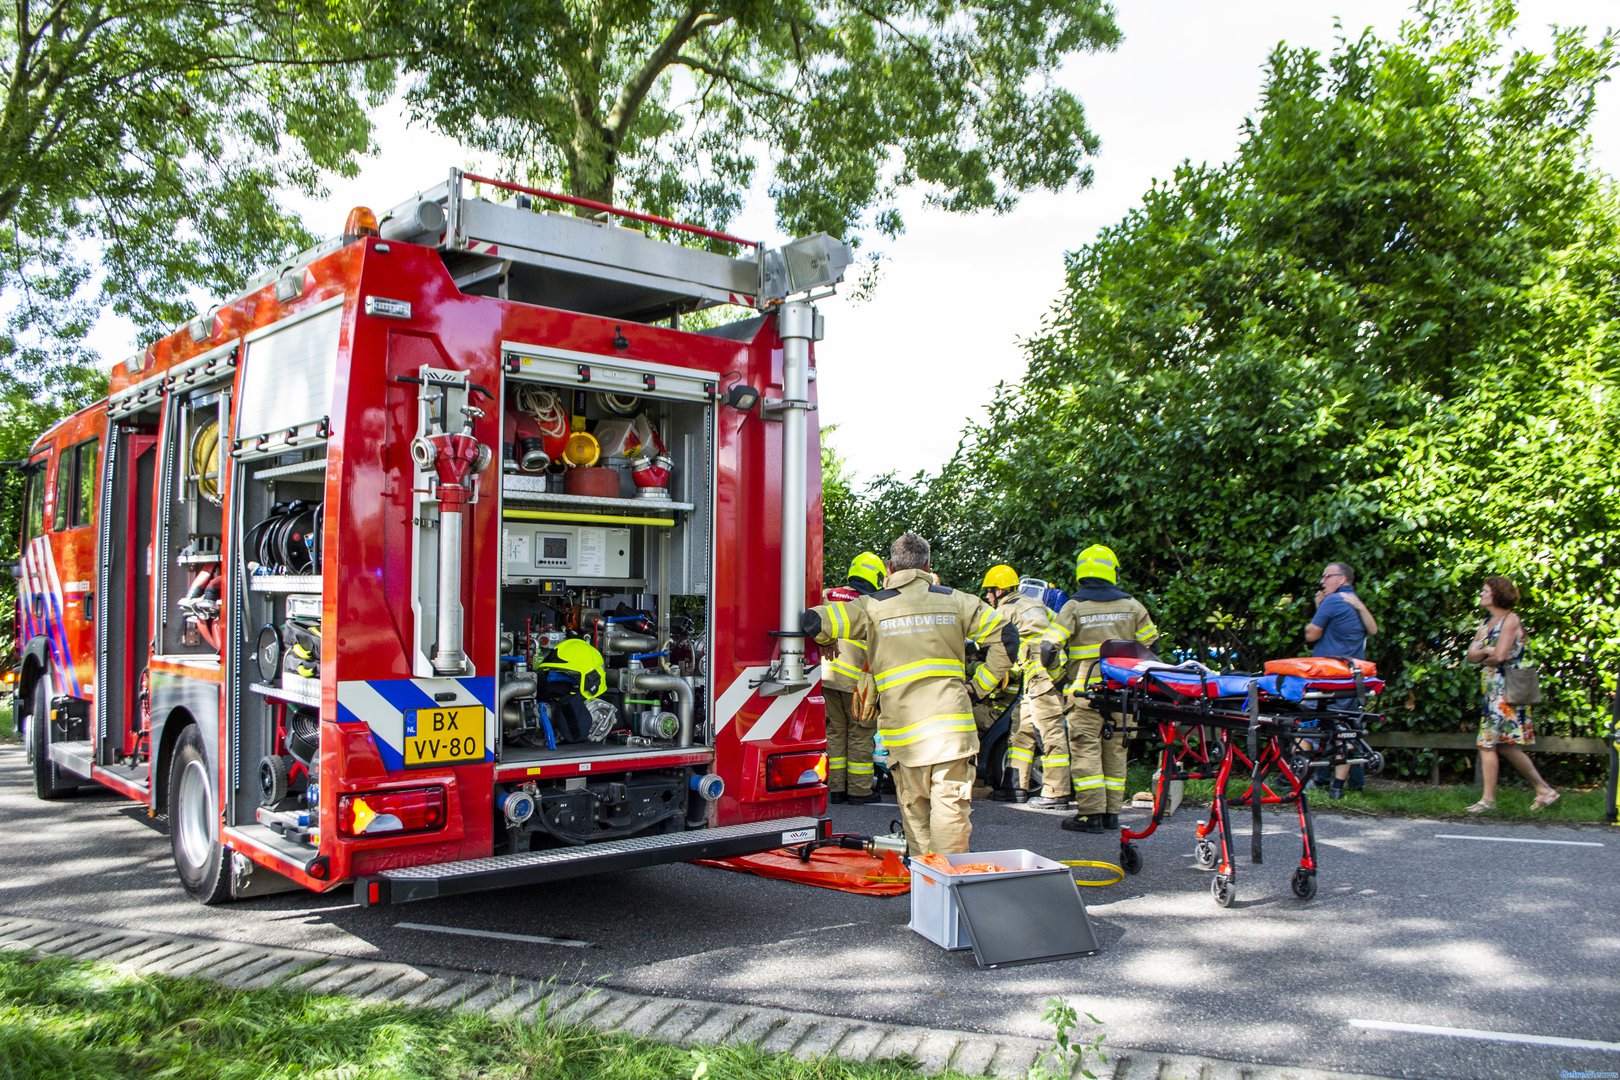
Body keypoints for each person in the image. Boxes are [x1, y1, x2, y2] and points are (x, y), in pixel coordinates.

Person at [804, 532, 1018, 855]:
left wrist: (824, 639)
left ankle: (925, 899)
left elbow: (814, 620)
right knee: (949, 832)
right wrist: (979, 687)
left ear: (890, 568)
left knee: (918, 836)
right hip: (951, 739)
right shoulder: (955, 600)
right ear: (927, 565)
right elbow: (1008, 636)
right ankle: (949, 898)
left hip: (906, 744)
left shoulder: (871, 606)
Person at [1050, 544, 1158, 834]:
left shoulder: (1073, 607)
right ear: (1112, 571)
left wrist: (1058, 677)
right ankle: (1112, 813)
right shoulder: (1133, 606)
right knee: (1116, 750)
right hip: (1124, 692)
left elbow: (1050, 646)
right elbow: (1152, 648)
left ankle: (1090, 815)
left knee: (1086, 750)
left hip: (1085, 692)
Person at [980, 565, 1072, 810]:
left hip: (1041, 675)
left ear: (999, 590)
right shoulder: (1036, 604)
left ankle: (1056, 793)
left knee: (1050, 732)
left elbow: (989, 643)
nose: (988, 597)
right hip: (1043, 673)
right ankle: (1015, 786)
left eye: (989, 592)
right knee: (1022, 729)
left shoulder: (1005, 610)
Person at [1465, 575, 1559, 813]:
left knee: (1487, 744)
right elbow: (1469, 656)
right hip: (1493, 692)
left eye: (1485, 590)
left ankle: (1487, 801)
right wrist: (1487, 650)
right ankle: (1544, 790)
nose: (1481, 594)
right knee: (1507, 746)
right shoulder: (1487, 622)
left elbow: (1500, 656)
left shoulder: (1510, 619)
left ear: (1497, 594)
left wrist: (1484, 651)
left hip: (1505, 693)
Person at [1305, 561, 1378, 799]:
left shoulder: (1334, 601)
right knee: (1346, 729)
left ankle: (1300, 780)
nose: (1322, 581)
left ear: (1341, 579)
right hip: (1354, 677)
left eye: (1327, 576)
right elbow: (1372, 630)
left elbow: (1312, 634)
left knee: (1307, 726)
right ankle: (1340, 787)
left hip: (1330, 676)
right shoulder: (1355, 603)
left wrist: (1319, 609)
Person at [820, 551, 886, 804]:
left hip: (827, 678)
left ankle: (835, 789)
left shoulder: (827, 595)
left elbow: (814, 623)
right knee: (860, 733)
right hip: (859, 684)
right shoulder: (874, 604)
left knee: (835, 732)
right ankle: (859, 791)